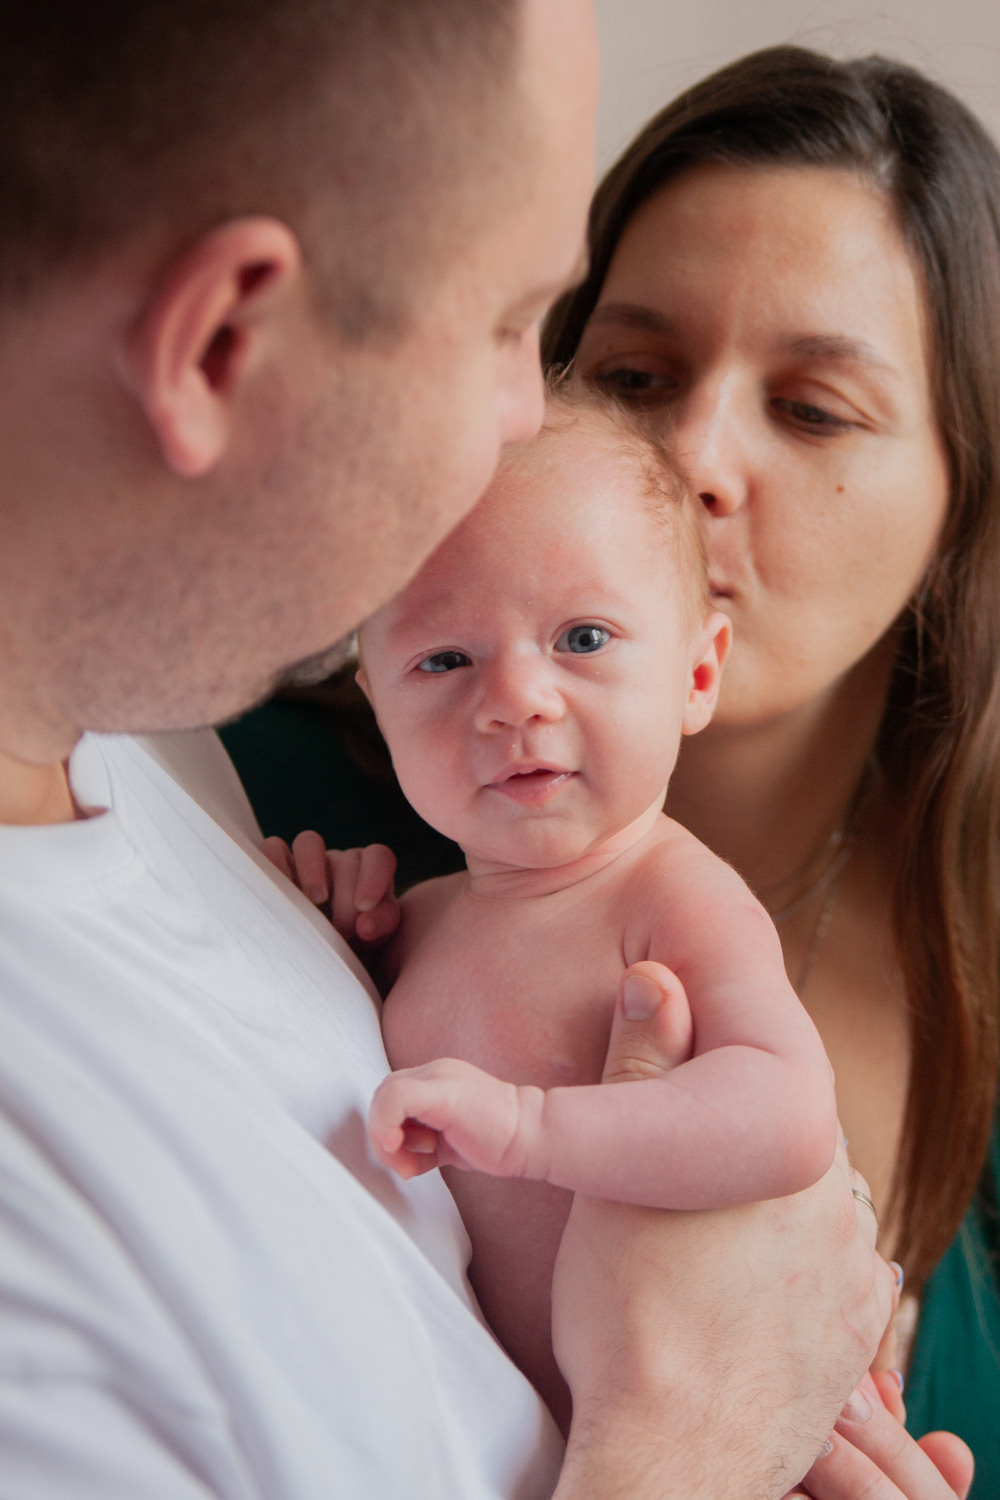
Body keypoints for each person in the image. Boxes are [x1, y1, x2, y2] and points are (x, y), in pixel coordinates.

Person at [0, 5, 909, 1498]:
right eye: (509, 325)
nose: (522, 419)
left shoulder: (159, 753)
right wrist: (686, 1443)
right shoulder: (43, 1251)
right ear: (222, 337)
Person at [224, 40, 999, 1499]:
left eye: (815, 408)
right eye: (634, 371)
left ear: (967, 491)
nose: (695, 450)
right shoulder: (305, 807)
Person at [267, 387, 837, 1431]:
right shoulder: (413, 922)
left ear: (696, 671)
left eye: (581, 637)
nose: (516, 699)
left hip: (739, 1430)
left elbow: (787, 1115)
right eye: (444, 660)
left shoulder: (669, 895)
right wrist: (316, 907)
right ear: (377, 702)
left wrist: (533, 1129)